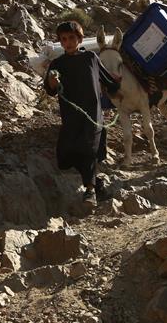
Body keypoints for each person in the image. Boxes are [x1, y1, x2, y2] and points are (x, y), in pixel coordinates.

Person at [44, 21, 119, 205]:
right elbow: (50, 90)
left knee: (88, 150)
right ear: (60, 42)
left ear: (79, 39)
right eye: (63, 39)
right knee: (65, 156)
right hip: (71, 117)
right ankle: (98, 183)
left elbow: (109, 81)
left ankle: (90, 191)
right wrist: (53, 82)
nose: (68, 42)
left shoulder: (91, 58)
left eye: (71, 38)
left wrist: (118, 86)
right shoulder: (57, 64)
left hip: (93, 116)